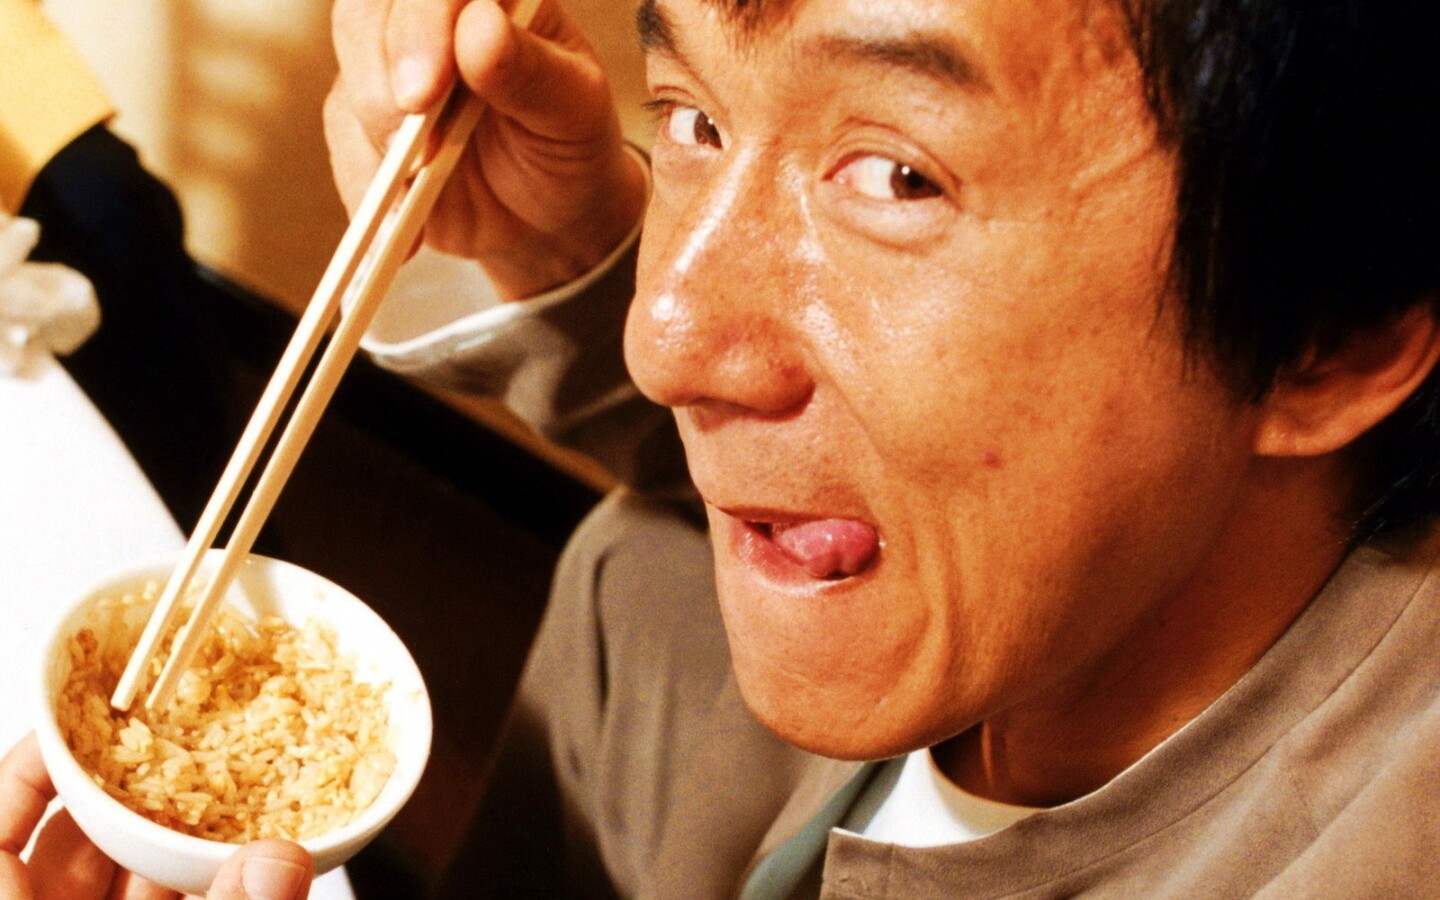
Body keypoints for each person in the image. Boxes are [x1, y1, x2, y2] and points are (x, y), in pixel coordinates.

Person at [7, 0, 1440, 897]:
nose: (665, 334)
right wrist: (560, 248)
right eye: (691, 114)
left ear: (1334, 337)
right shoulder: (670, 608)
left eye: (899, 176)